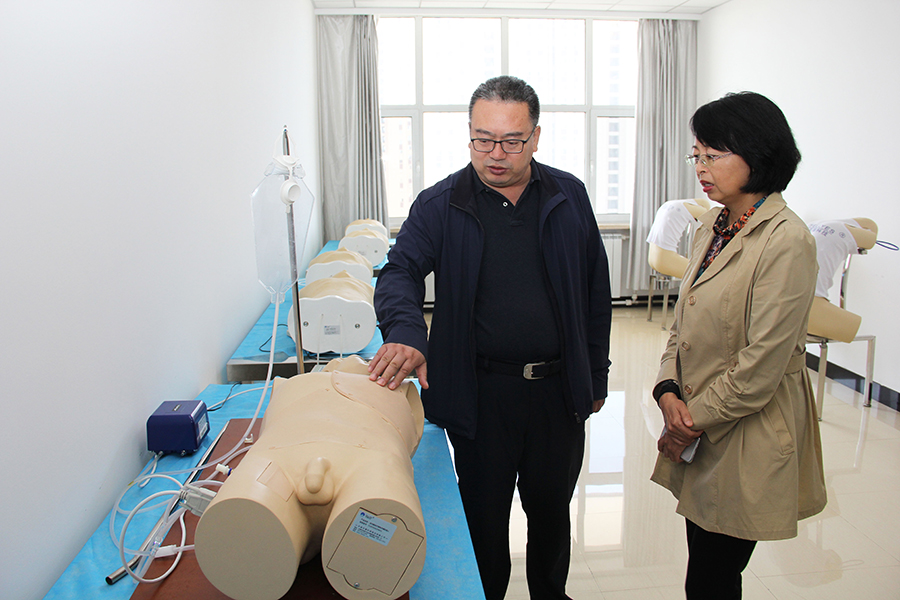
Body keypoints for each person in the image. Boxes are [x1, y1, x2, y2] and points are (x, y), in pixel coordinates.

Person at [368, 75, 612, 600]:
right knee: (483, 519)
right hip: (481, 395)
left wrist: (595, 375)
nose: (496, 154)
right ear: (469, 134)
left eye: (511, 141)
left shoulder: (568, 195)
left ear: (536, 137)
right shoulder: (441, 204)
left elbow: (595, 291)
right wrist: (407, 332)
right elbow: (399, 272)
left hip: (557, 394)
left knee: (552, 514)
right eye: (483, 139)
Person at [650, 92, 827, 599]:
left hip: (747, 432)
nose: (700, 168)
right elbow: (683, 323)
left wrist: (686, 424)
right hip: (700, 420)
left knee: (713, 575)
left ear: (759, 153)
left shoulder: (787, 240)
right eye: (697, 155)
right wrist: (667, 390)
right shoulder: (714, 224)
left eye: (713, 155)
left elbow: (760, 367)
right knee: (706, 568)